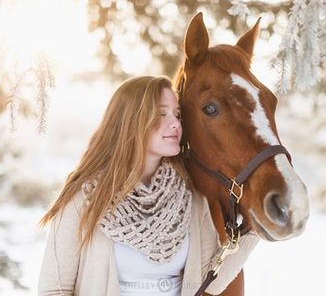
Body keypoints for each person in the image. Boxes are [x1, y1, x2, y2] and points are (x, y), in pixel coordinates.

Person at [37, 76, 259, 296]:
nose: (175, 123)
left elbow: (210, 280)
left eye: (177, 114)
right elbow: (53, 290)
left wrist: (253, 227)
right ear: (131, 120)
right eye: (162, 113)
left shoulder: (190, 197)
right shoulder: (84, 198)